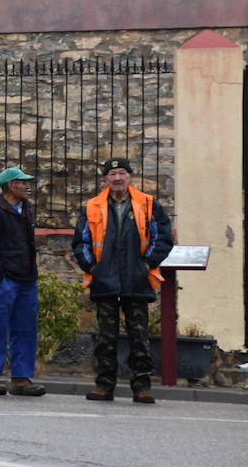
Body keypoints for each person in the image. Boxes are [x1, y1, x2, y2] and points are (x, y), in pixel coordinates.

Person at [72, 158, 174, 404]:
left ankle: (142, 387)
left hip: (136, 281)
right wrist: (93, 268)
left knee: (140, 336)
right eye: (112, 174)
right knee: (106, 337)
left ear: (130, 176)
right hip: (104, 280)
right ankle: (104, 386)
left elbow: (163, 238)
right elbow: (80, 242)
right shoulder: (92, 206)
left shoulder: (148, 204)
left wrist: (147, 264)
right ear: (106, 179)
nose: (117, 178)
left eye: (121, 173)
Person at [0, 166, 46, 397]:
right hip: (4, 279)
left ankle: (21, 378)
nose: (28, 185)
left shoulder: (26, 208)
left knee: (25, 328)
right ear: (10, 185)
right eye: (22, 181)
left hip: (26, 277)